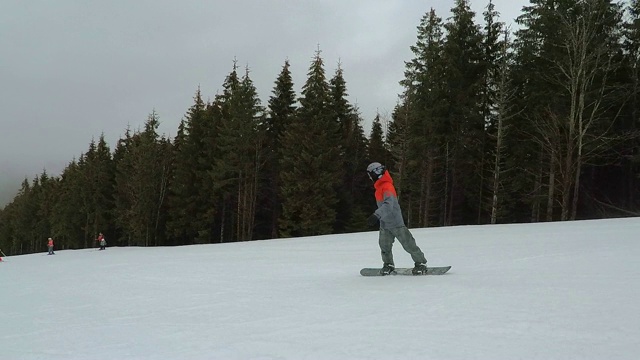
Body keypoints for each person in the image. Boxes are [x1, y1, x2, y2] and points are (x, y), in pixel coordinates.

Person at [366, 162, 427, 275]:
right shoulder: (379, 188)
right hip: (385, 224)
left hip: (396, 223)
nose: (370, 178)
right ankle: (388, 265)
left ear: (376, 172)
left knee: (408, 244)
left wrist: (376, 215)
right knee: (384, 246)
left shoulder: (387, 186)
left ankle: (421, 263)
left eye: (370, 175)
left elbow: (389, 205)